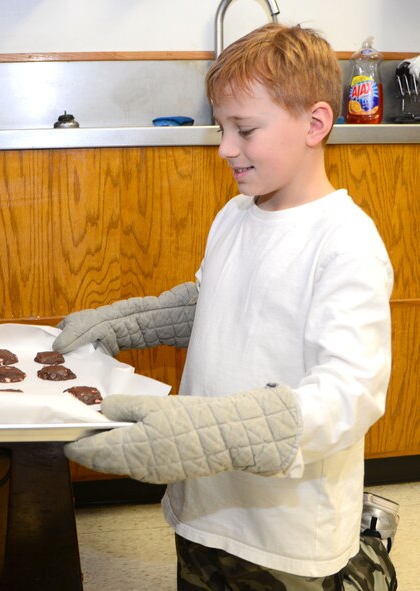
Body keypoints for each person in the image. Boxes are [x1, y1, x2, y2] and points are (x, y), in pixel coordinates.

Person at [53, 23, 398, 590]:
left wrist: (210, 433)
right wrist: (132, 322)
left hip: (286, 536)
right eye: (222, 127)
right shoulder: (234, 215)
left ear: (315, 123)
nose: (224, 148)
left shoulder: (346, 243)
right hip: (205, 505)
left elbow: (347, 395)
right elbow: (220, 304)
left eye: (244, 129)